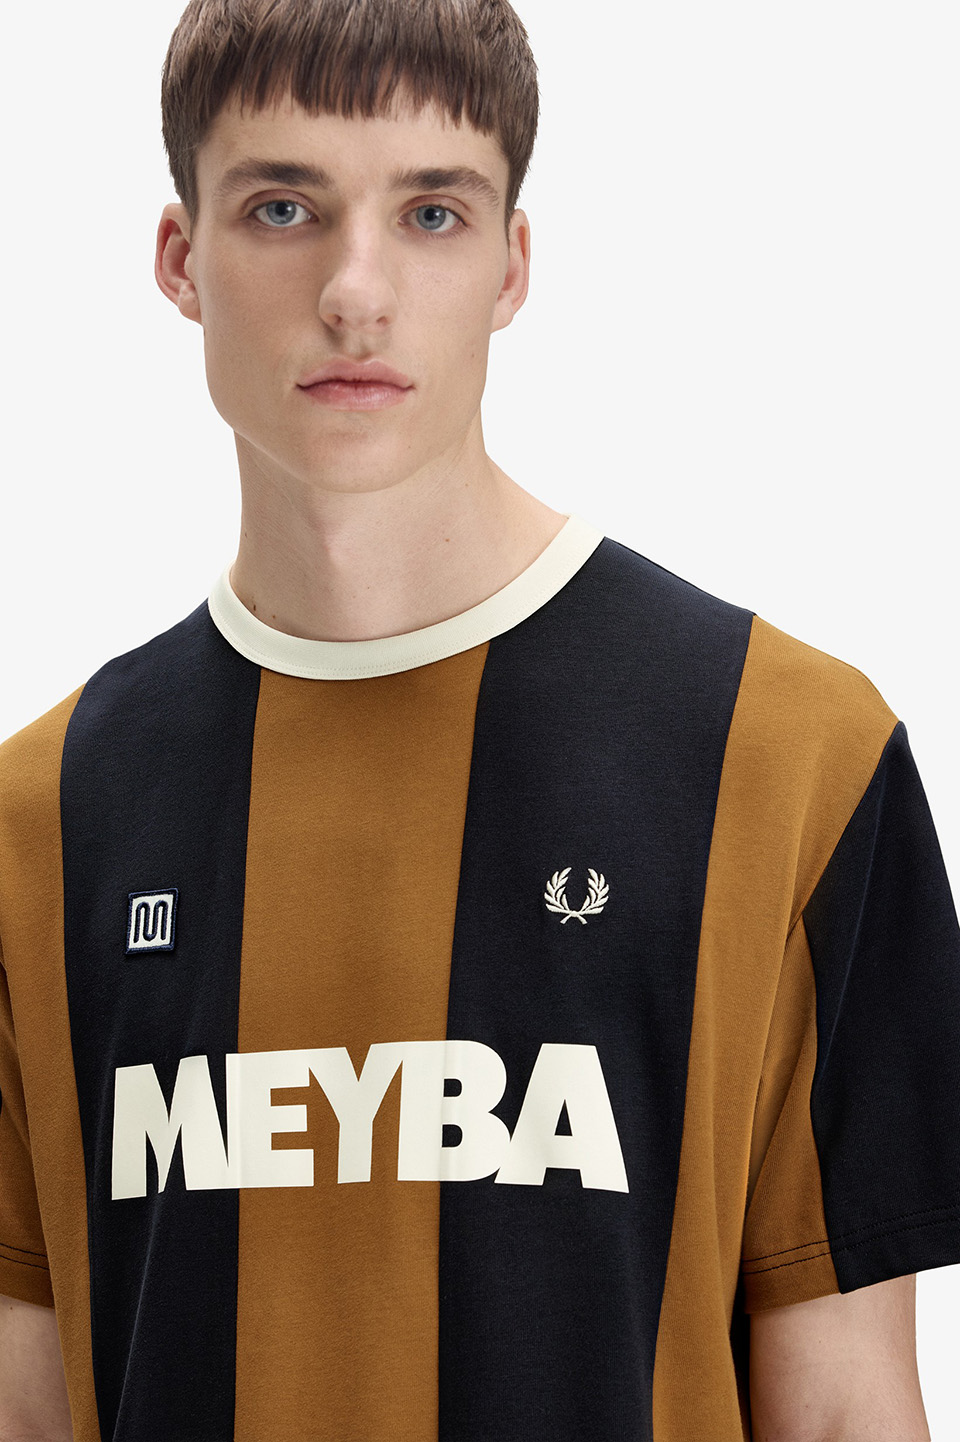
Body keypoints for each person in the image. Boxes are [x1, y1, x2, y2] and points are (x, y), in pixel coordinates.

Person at [1, 0, 958, 1437]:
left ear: (512, 265)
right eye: (282, 208)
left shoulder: (792, 758)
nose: (356, 291)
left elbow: (844, 1413)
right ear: (180, 259)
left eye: (431, 213)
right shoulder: (38, 825)